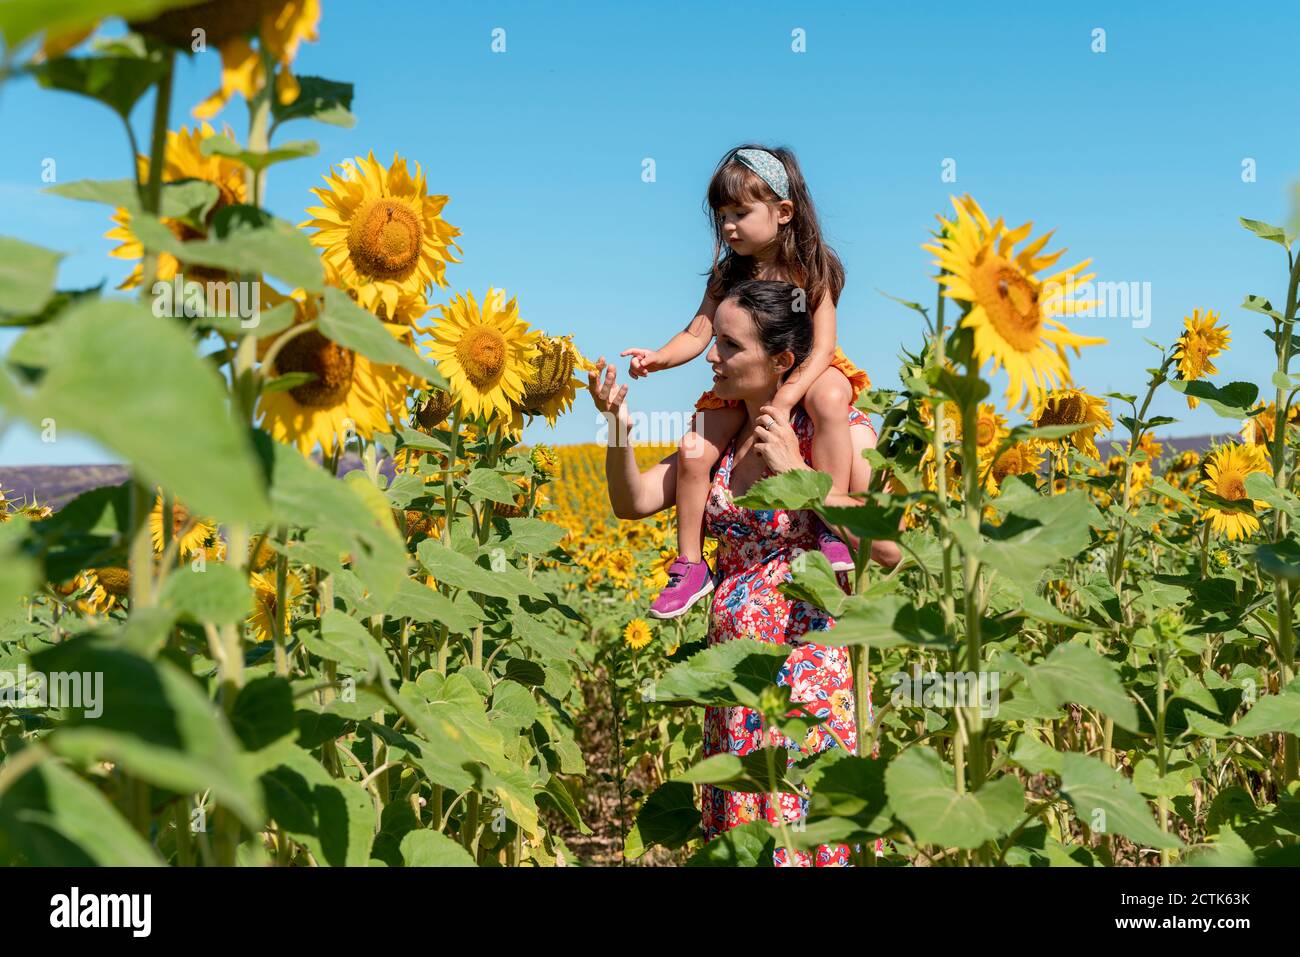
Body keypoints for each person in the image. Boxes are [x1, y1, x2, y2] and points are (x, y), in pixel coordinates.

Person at [591, 279, 900, 867]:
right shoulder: (723, 438)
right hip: (735, 688)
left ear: (780, 361)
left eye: (729, 346)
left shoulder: (835, 428)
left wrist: (802, 478)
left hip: (809, 685)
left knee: (808, 840)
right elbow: (631, 501)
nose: (711, 356)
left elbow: (888, 546)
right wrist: (615, 426)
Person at [621, 145, 870, 619]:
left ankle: (826, 525)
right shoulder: (728, 274)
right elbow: (697, 332)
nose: (728, 226)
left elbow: (822, 347)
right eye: (722, 216)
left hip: (805, 368)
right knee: (697, 449)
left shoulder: (812, 267)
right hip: (745, 378)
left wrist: (789, 395)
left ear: (783, 212)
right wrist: (659, 358)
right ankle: (690, 562)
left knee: (832, 395)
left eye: (739, 212)